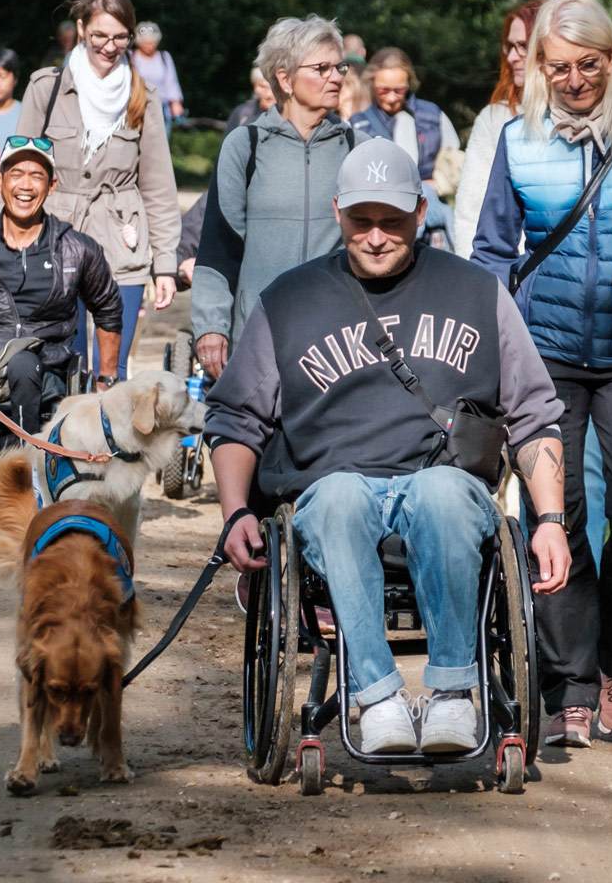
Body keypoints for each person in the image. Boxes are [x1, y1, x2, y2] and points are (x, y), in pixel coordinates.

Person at [206, 138, 572, 754]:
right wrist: (236, 512)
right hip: (330, 492)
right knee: (343, 495)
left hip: (445, 485)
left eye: (393, 221)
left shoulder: (479, 293)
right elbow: (236, 417)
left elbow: (535, 412)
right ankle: (376, 699)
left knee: (442, 492)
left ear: (421, 211)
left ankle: (454, 695)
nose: (376, 236)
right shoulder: (288, 301)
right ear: (338, 211)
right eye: (361, 221)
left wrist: (552, 521)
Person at [469, 0, 612, 749]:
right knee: (560, 519)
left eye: (590, 64)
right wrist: (490, 346)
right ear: (539, 67)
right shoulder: (519, 140)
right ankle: (569, 682)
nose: (576, 80)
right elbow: (489, 254)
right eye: (560, 66)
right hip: (546, 359)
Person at [0, 136, 124, 511]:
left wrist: (106, 381)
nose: (26, 185)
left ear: (51, 186)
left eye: (36, 175)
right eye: (16, 174)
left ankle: (28, 473)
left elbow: (108, 309)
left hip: (48, 363)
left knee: (23, 363)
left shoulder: (78, 249)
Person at [18, 0, 180, 382]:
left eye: (120, 37)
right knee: (61, 366)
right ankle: (61, 446)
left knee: (111, 371)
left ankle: (109, 447)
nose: (110, 47)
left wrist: (165, 266)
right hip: (55, 241)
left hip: (122, 245)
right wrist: (9, 247)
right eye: (100, 36)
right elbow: (17, 173)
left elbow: (158, 186)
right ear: (81, 29)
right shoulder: (46, 88)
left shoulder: (144, 97)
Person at [191, 16, 355, 380]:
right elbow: (218, 246)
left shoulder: (355, 147)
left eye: (339, 66)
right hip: (257, 341)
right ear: (284, 79)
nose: (337, 77)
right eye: (322, 68)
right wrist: (211, 325)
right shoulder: (244, 145)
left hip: (335, 347)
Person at [350, 48, 462, 247]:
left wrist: (436, 184)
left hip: (430, 222)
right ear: (372, 84)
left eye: (399, 90)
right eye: (384, 90)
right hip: (383, 222)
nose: (392, 98)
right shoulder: (358, 124)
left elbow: (456, 165)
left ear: (409, 83)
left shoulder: (433, 116)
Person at [453, 1, 537, 261]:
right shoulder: (495, 119)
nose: (512, 57)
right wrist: (480, 281)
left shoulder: (578, 118)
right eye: (509, 46)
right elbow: (471, 212)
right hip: (507, 276)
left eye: (523, 46)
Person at [129, 21, 185, 123]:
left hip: (161, 107)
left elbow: (171, 82)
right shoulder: (131, 57)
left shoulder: (164, 57)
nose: (151, 46)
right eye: (147, 43)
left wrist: (175, 103)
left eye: (153, 43)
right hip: (137, 106)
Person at [225, 66, 275, 131]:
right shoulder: (241, 114)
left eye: (274, 88)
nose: (269, 94)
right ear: (255, 88)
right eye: (263, 87)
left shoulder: (290, 116)